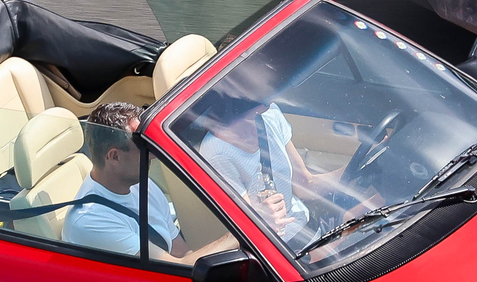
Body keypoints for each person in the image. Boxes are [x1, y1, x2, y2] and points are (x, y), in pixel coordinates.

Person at [188, 86, 328, 249]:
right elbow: (248, 228)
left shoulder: (271, 114)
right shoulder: (216, 152)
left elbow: (304, 183)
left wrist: (352, 176)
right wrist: (262, 216)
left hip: (310, 228)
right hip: (282, 249)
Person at [62, 103, 186, 258]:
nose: (152, 155)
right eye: (142, 146)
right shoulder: (90, 222)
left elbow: (179, 251)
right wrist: (227, 238)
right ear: (114, 156)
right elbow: (176, 267)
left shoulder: (141, 184)